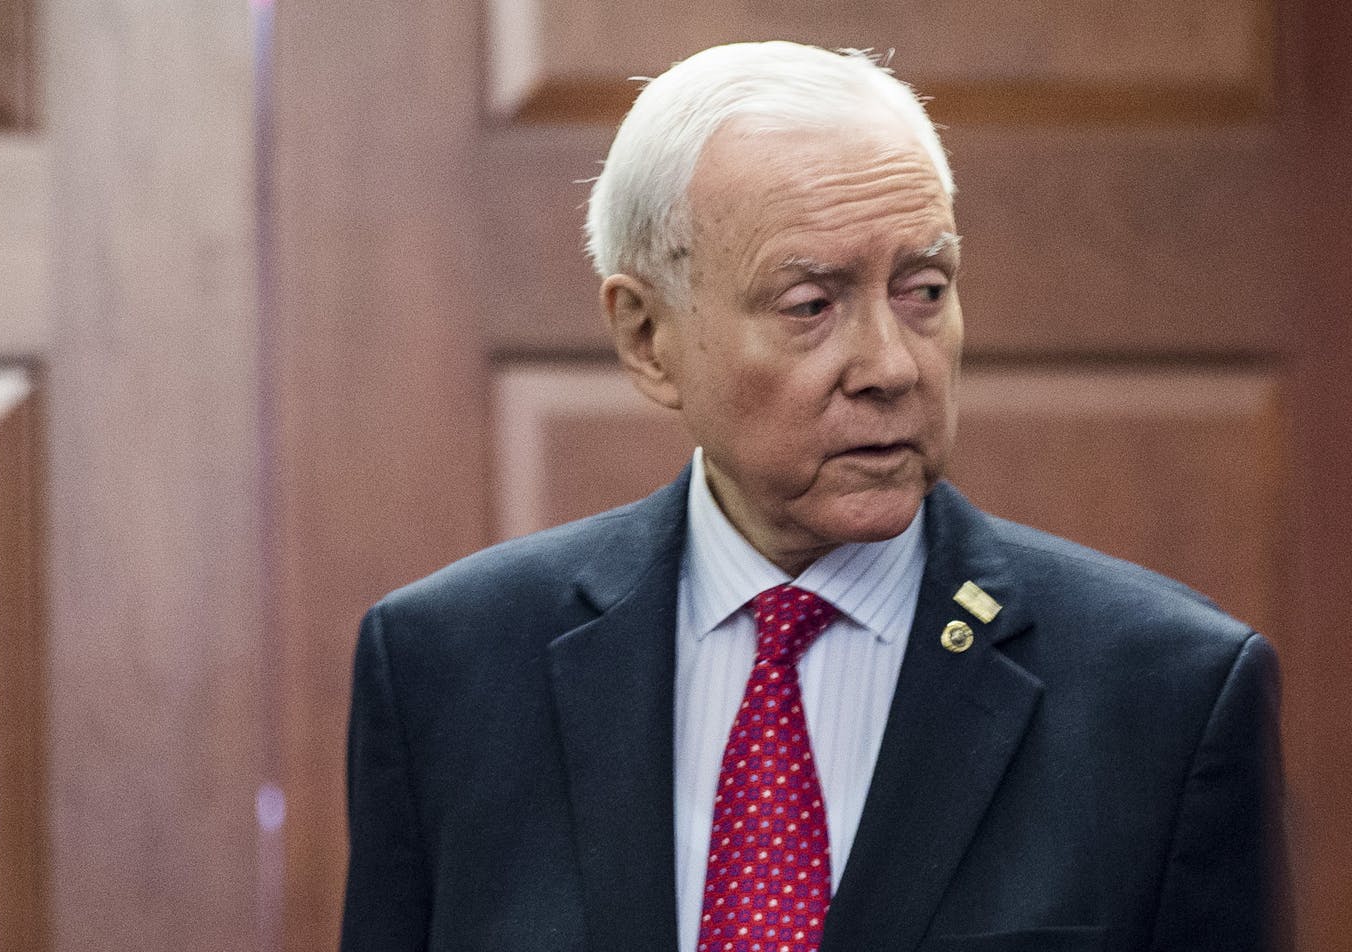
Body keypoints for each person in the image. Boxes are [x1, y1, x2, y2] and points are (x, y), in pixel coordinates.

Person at [340, 41, 1286, 952]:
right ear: (646, 337)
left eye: (923, 289)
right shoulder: (447, 670)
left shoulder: (1168, 696)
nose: (889, 365)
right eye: (810, 305)